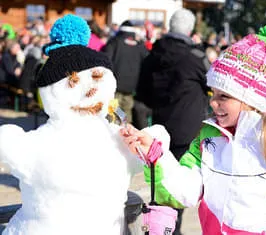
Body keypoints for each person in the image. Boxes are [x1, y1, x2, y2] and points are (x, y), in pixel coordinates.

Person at [121, 24, 266, 234]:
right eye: (213, 94)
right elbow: (187, 190)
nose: (213, 103)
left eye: (224, 96)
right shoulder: (210, 135)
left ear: (253, 99)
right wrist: (155, 155)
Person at [0, 14, 142, 235]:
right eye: (74, 82)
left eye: (96, 78)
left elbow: (9, 142)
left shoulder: (118, 137)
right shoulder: (117, 139)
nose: (90, 90)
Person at [136, 8, 210, 234]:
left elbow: (143, 94)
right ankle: (171, 229)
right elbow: (213, 85)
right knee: (181, 185)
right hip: (188, 128)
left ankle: (162, 227)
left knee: (161, 183)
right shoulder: (195, 58)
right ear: (190, 30)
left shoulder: (153, 55)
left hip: (160, 127)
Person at [102, 20, 148, 123]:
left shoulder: (114, 42)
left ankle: (115, 130)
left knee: (113, 111)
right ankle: (126, 128)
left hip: (115, 86)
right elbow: (147, 62)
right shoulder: (140, 45)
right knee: (126, 111)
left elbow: (105, 60)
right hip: (131, 88)